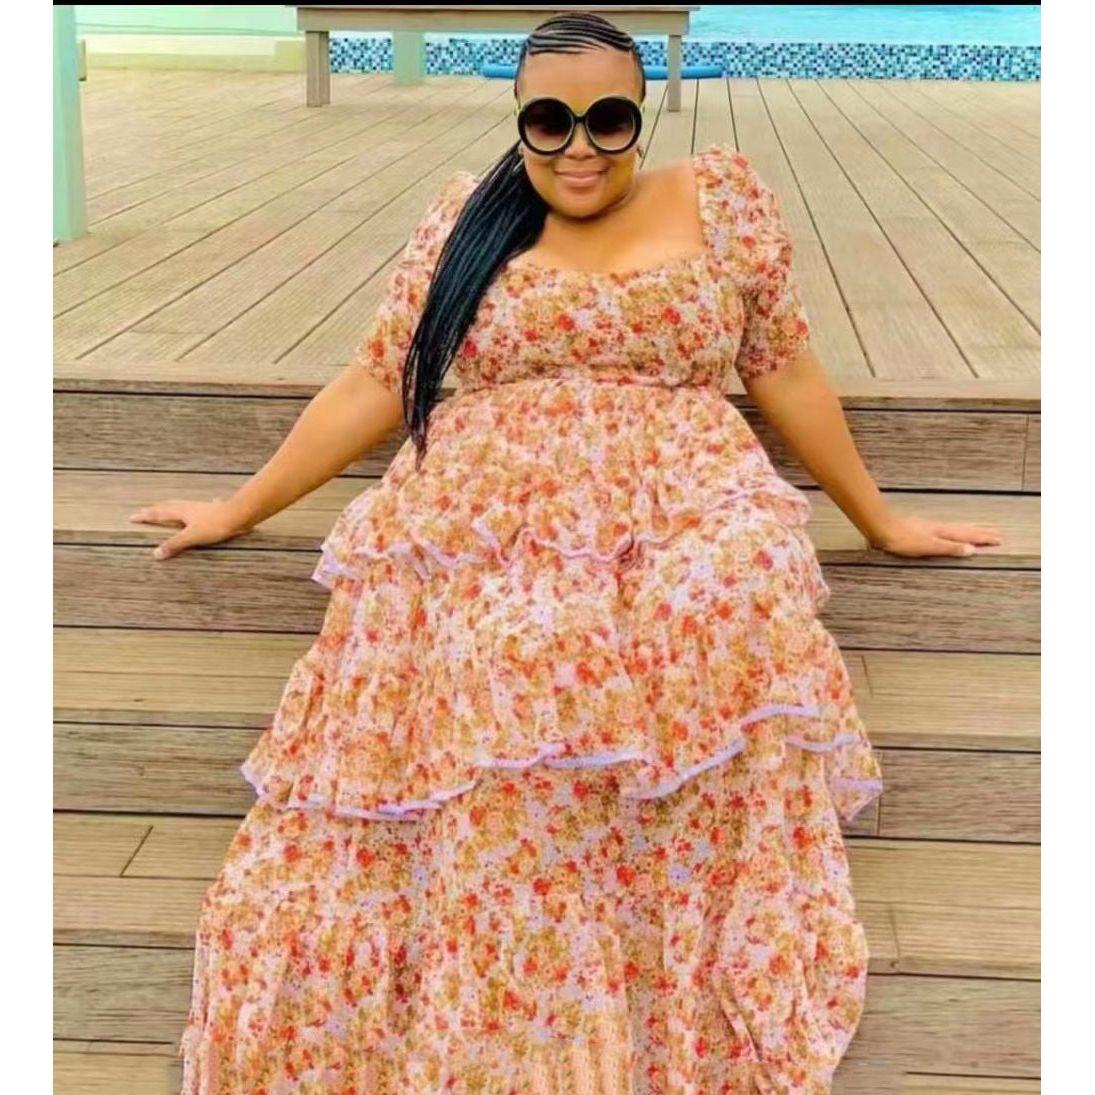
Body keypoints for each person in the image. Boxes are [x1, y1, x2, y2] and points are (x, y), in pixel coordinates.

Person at [134, 12, 1004, 1094]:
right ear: (519, 119)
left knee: (728, 598)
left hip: (683, 492)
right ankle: (534, 975)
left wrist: (877, 519)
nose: (579, 146)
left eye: (608, 120)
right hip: (492, 512)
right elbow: (377, 378)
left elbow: (783, 366)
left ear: (643, 115)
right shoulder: (467, 220)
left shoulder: (721, 201)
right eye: (549, 121)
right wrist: (241, 504)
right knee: (516, 649)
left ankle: (660, 941)